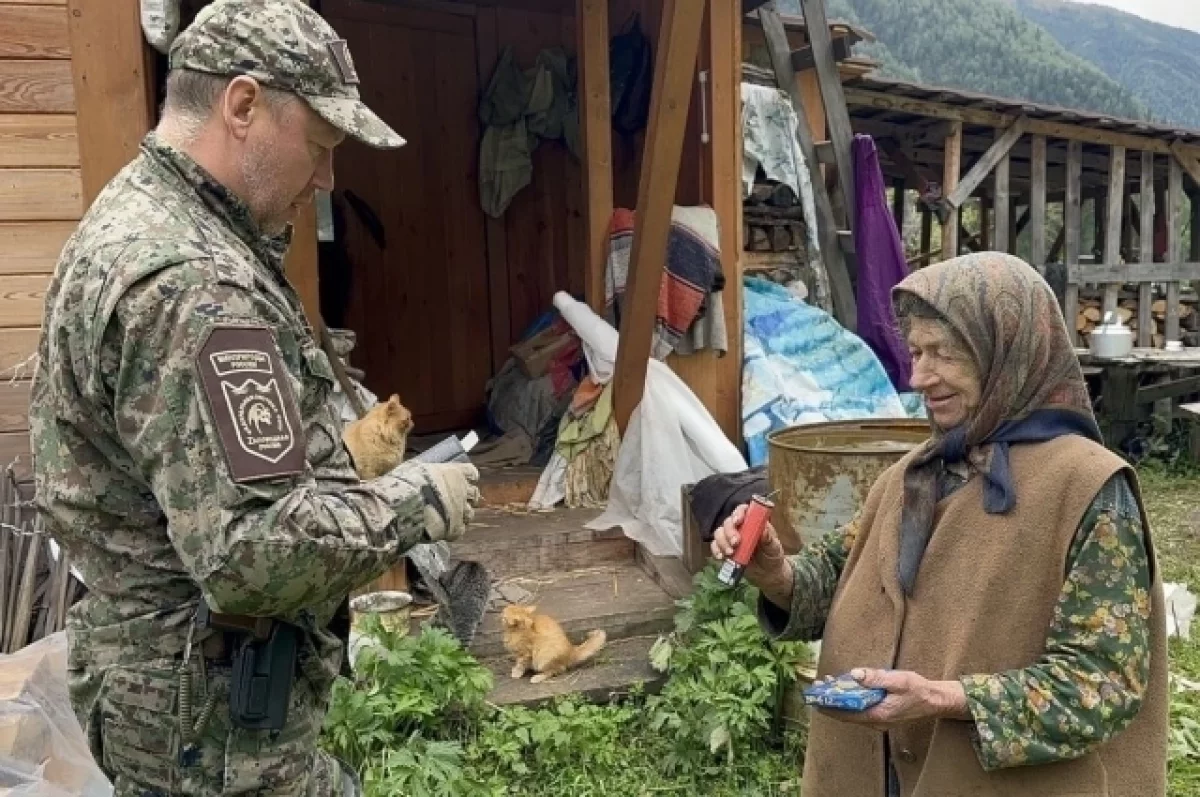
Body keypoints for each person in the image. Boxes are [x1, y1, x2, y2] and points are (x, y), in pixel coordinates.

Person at [28, 1, 479, 794]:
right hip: (212, 728)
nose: (327, 178)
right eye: (320, 145)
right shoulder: (194, 284)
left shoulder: (141, 218)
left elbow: (190, 476)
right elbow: (250, 552)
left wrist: (332, 466)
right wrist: (416, 503)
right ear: (242, 106)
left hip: (179, 699)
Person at [712, 252, 1168, 796]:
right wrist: (776, 574)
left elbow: (1102, 687)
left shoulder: (1088, 489)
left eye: (944, 354)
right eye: (916, 352)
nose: (918, 377)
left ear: (1006, 353)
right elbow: (833, 581)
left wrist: (940, 698)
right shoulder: (912, 475)